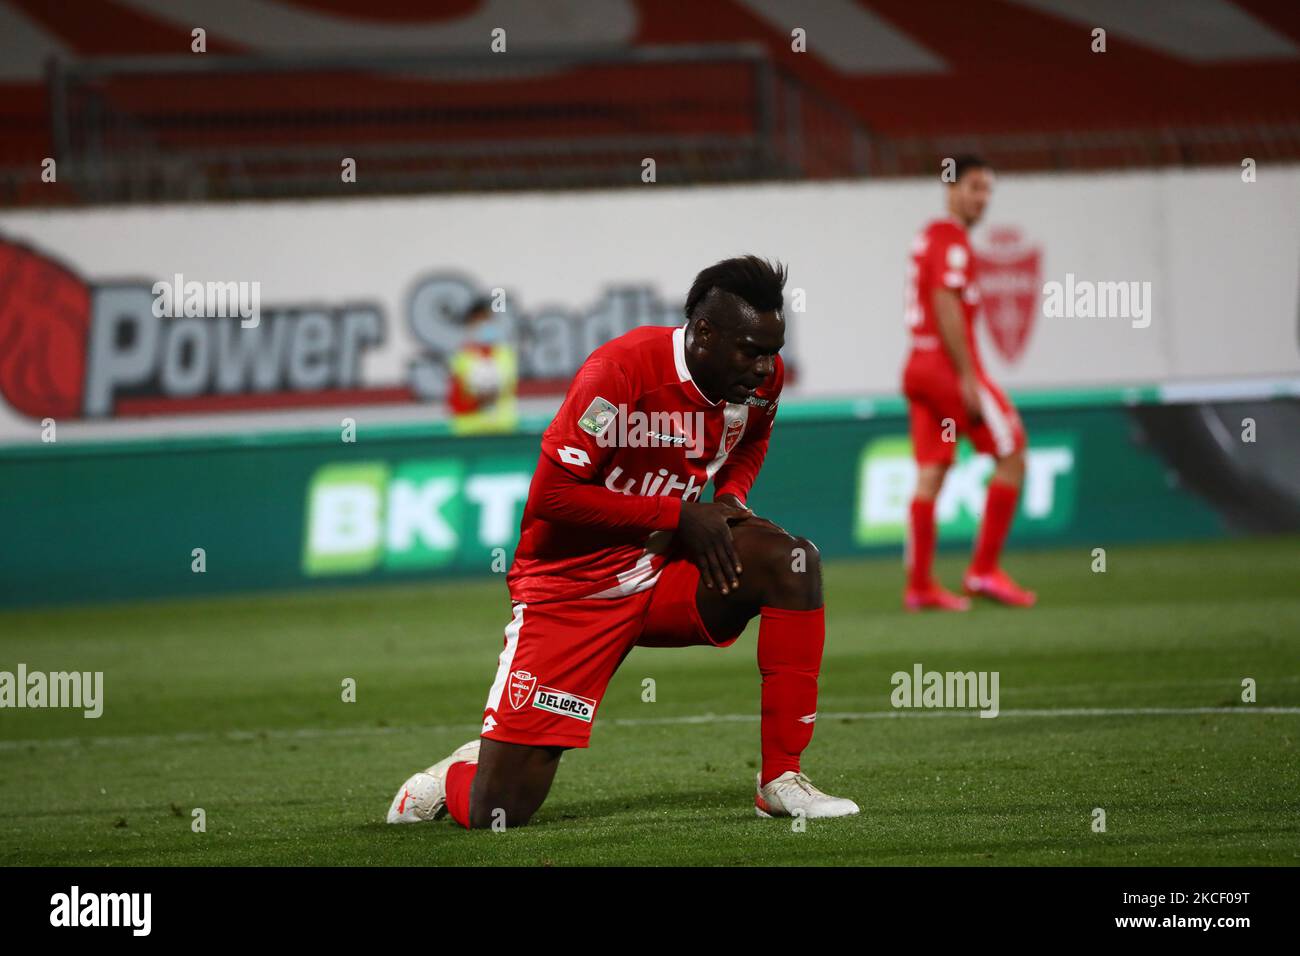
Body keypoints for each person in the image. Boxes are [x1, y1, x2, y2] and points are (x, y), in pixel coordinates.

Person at [387, 256, 859, 827]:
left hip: (664, 569)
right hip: (572, 589)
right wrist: (678, 513)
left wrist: (730, 498)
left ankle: (780, 779)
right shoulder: (620, 371)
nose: (765, 367)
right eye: (752, 351)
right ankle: (451, 778)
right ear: (704, 333)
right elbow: (551, 498)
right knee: (499, 813)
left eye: (772, 350)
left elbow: (752, 437)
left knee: (793, 561)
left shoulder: (759, 377)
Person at [902, 155, 1036, 611]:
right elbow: (945, 303)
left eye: (987, 190)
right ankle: (983, 570)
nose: (982, 198)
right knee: (1013, 451)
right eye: (974, 187)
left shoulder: (928, 236)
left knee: (932, 472)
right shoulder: (952, 240)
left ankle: (919, 586)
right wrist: (966, 378)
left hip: (917, 367)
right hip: (944, 368)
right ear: (951, 187)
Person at [447, 296, 518, 435]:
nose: (482, 325)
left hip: (502, 430)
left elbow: (508, 387)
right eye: (477, 321)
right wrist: (476, 400)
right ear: (469, 325)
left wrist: (493, 392)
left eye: (485, 319)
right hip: (470, 433)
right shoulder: (462, 357)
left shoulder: (505, 354)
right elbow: (455, 400)